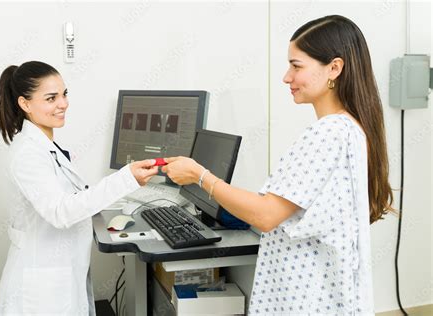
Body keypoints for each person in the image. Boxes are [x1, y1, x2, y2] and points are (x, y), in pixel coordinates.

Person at [162, 15, 394, 314]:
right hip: (322, 292)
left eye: (297, 66)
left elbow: (266, 215)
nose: (287, 77)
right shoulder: (349, 128)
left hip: (306, 297)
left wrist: (200, 176)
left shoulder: (327, 133)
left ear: (334, 68)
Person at [0, 61, 158, 315]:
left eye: (64, 94)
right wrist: (126, 179)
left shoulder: (45, 147)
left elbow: (71, 198)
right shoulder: (27, 154)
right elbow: (61, 212)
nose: (63, 104)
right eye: (51, 98)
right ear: (25, 104)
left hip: (58, 276)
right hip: (40, 291)